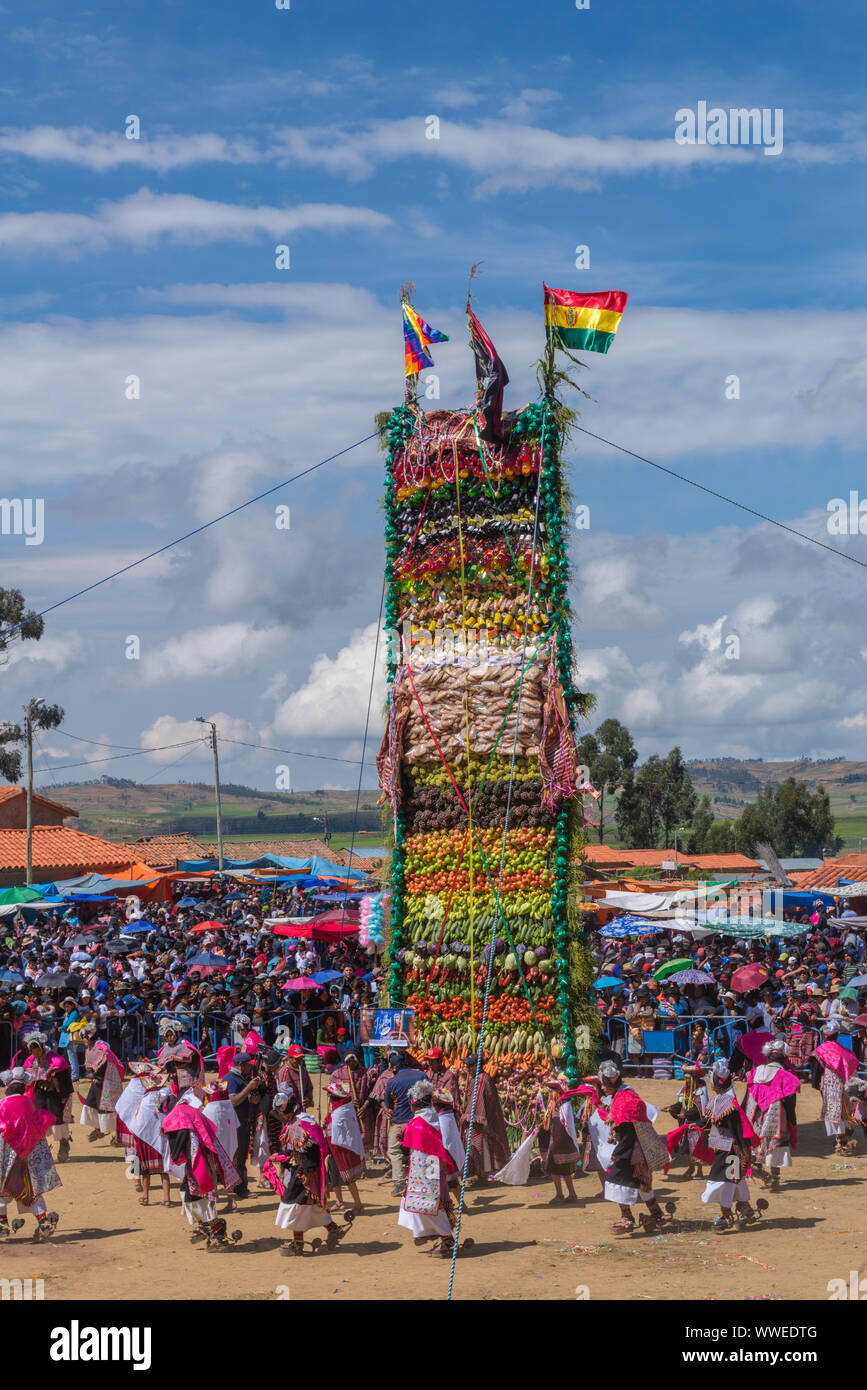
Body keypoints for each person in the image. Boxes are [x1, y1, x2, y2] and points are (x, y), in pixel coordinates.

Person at [265, 1088, 350, 1256]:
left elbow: (312, 1151)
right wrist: (282, 1158)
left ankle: (297, 1244)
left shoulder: (303, 1124)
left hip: (306, 1173)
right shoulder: (298, 1122)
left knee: (295, 1205)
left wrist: (305, 1173)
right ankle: (333, 1229)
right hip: (302, 1170)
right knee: (310, 1206)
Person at [599, 1059, 671, 1234]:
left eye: (603, 1084)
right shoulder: (623, 1094)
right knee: (642, 1182)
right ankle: (656, 1214)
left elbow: (630, 1129)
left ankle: (627, 1217)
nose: (601, 1088)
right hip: (634, 1147)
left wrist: (620, 1154)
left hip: (633, 1150)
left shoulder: (626, 1098)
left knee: (617, 1179)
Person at [162, 1095, 242, 1249]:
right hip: (199, 1161)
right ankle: (206, 1226)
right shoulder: (189, 1112)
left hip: (200, 1163)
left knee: (197, 1197)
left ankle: (215, 1230)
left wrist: (178, 1155)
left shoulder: (181, 1116)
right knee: (192, 1195)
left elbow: (180, 1144)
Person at [398, 1079, 465, 1259]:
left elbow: (410, 1147)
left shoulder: (417, 1123)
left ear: (414, 1104)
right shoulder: (437, 1118)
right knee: (429, 1204)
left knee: (426, 1204)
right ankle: (429, 1233)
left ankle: (446, 1238)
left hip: (425, 1170)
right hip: (435, 1168)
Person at [700, 1059, 763, 1232]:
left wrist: (745, 1153)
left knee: (724, 1182)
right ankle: (747, 1210)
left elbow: (739, 1129)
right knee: (735, 1181)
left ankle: (726, 1214)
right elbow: (708, 1121)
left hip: (731, 1151)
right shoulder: (719, 1100)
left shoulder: (730, 1106)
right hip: (723, 1149)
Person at [0, 1067, 61, 1242]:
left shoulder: (1, 1105)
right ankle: (43, 1222)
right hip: (28, 1158)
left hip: (6, 1159)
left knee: (2, 1189)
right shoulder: (28, 1104)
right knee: (32, 1189)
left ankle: (2, 1223)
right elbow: (40, 1124)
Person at [743, 1038, 800, 1189]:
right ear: (784, 1059)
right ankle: (774, 1177)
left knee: (756, 1142)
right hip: (776, 1114)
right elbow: (790, 1104)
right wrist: (792, 1122)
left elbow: (747, 1097)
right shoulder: (786, 1076)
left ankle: (758, 1170)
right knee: (777, 1144)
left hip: (755, 1114)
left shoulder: (754, 1073)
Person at [22, 1031, 74, 1163]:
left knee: (57, 1119)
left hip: (55, 1094)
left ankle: (63, 1143)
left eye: (37, 1050)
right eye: (32, 1051)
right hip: (39, 1092)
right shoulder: (29, 1061)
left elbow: (64, 1079)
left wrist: (64, 1096)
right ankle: (43, 1149)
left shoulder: (56, 1061)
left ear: (42, 1047)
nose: (35, 1054)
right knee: (40, 1120)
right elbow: (27, 1081)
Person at [459, 1053, 510, 1187]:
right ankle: (480, 1175)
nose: (468, 1068)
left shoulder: (482, 1080)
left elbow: (478, 1102)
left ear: (478, 1066)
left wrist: (467, 1115)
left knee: (480, 1146)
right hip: (477, 1120)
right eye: (467, 1066)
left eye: (470, 1066)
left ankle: (483, 1176)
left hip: (480, 1121)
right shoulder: (476, 1079)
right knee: (477, 1147)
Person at [810, 1020, 859, 1155]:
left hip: (830, 1085)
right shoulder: (844, 1051)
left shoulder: (821, 1050)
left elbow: (816, 1068)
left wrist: (815, 1084)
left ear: (825, 1035)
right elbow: (853, 1064)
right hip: (844, 1085)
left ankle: (842, 1143)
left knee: (834, 1113)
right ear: (837, 1035)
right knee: (842, 1112)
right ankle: (842, 1138)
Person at [384, 1051, 427, 1195]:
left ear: (394, 1068)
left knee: (394, 1151)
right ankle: (421, 1181)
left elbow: (389, 1105)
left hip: (400, 1122)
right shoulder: (421, 1075)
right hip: (421, 1120)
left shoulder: (392, 1082)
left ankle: (400, 1182)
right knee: (420, 1150)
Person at [324, 1079, 365, 1214]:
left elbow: (337, 1134)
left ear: (333, 1098)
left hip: (342, 1149)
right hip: (337, 1149)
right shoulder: (344, 1108)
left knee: (349, 1179)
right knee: (334, 1175)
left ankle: (358, 1204)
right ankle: (339, 1202)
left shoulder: (340, 1112)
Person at [537, 1076, 580, 1204]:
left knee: (554, 1170)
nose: (550, 1093)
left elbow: (559, 1124)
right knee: (565, 1170)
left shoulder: (561, 1105)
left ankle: (560, 1195)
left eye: (552, 1091)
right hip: (562, 1142)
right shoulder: (562, 1104)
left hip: (558, 1143)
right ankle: (572, 1194)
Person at [79, 1023, 125, 1143]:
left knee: (108, 1108)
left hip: (107, 1083)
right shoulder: (89, 1049)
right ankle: (99, 1128)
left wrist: (94, 1074)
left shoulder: (101, 1049)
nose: (82, 1040)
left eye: (84, 1037)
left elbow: (104, 1067)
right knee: (90, 1104)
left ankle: (117, 1136)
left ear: (90, 1037)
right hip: (97, 1082)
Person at [664, 1063, 710, 1180]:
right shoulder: (686, 1089)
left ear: (694, 1078)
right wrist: (671, 1108)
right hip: (685, 1123)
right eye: (685, 1079)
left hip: (696, 1123)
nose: (686, 1081)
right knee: (684, 1147)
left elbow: (699, 1108)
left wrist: (685, 1114)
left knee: (696, 1148)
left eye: (688, 1079)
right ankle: (691, 1167)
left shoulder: (700, 1090)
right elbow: (681, 1104)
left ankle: (699, 1171)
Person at [225, 1052, 260, 1200]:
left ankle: (239, 1187)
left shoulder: (241, 1078)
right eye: (248, 1065)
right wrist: (249, 1088)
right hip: (235, 1125)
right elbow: (233, 1101)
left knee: (241, 1157)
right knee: (238, 1157)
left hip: (242, 1122)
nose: (250, 1069)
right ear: (240, 1065)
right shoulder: (231, 1079)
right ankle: (240, 1188)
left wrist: (252, 1099)